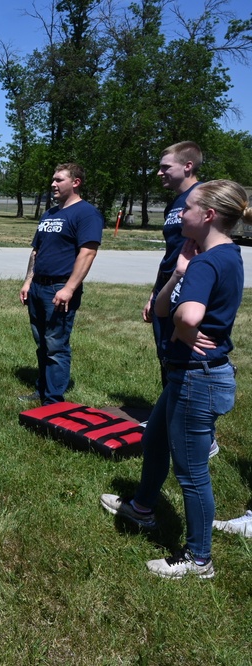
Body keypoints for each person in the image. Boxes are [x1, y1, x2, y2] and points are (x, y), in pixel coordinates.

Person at [101, 180, 248, 578]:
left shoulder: (208, 262)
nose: (181, 214)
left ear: (209, 215)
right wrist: (177, 273)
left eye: (188, 209)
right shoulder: (221, 256)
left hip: (198, 378)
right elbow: (163, 309)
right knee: (155, 440)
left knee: (192, 473)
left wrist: (184, 330)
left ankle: (199, 559)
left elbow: (185, 316)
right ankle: (143, 508)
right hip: (192, 376)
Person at [18, 163, 102, 405]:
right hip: (38, 287)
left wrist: (69, 288)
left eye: (58, 180)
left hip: (59, 288)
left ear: (75, 182)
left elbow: (88, 253)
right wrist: (28, 281)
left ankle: (53, 401)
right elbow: (37, 251)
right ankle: (42, 389)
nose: (52, 184)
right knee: (42, 343)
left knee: (56, 346)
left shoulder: (86, 213)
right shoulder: (50, 213)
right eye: (53, 179)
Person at [145, 142, 203, 388]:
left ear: (187, 166)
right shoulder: (174, 203)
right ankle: (166, 416)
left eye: (165, 167)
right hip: (168, 285)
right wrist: (155, 292)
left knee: (181, 355)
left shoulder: (203, 197)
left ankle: (181, 416)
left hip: (188, 288)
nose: (159, 173)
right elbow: (170, 252)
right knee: (165, 352)